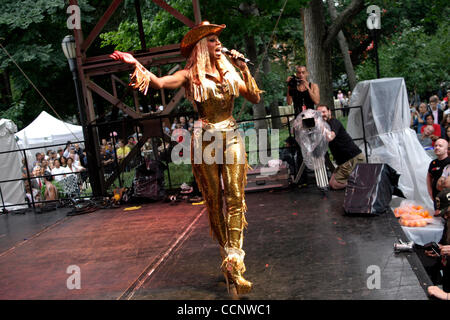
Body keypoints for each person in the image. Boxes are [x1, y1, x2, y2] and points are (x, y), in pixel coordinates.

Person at [110, 21, 261, 295]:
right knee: (215, 202)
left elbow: (254, 97)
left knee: (236, 197)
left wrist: (243, 68)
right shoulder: (191, 75)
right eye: (213, 40)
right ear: (202, 45)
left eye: (218, 40)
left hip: (231, 135)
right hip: (205, 140)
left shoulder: (230, 72)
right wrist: (135, 64)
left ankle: (235, 260)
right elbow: (159, 83)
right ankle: (228, 259)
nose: (219, 45)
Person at [317, 105, 365, 190]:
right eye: (319, 113)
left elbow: (330, 137)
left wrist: (320, 126)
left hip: (352, 159)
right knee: (331, 183)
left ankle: (358, 183)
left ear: (329, 112)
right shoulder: (325, 126)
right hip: (343, 162)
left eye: (323, 112)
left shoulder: (334, 122)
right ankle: (354, 178)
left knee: (335, 185)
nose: (322, 114)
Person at [427, 139, 450, 216]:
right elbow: (429, 177)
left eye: (440, 146)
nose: (437, 147)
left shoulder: (448, 162)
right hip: (436, 198)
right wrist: (430, 193)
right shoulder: (433, 163)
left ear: (446, 149)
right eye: (435, 145)